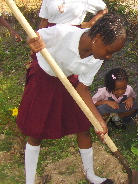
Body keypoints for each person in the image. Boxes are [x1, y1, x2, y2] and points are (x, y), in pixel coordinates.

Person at [17, 12, 126, 184]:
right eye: (109, 51)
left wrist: (98, 120)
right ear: (97, 38)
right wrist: (33, 43)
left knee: (83, 125)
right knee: (36, 131)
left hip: (69, 81)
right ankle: (29, 181)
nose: (109, 57)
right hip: (43, 78)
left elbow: (82, 88)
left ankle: (90, 175)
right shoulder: (62, 33)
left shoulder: (97, 58)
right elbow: (35, 37)